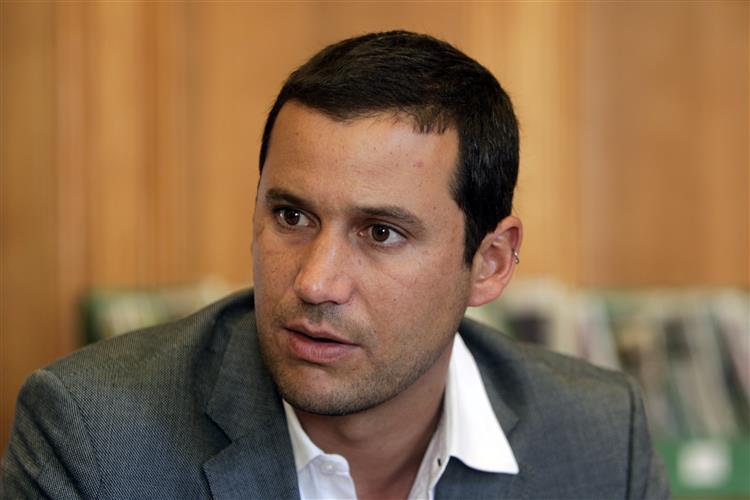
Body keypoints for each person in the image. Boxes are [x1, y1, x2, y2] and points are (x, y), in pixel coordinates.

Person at [2, 31, 669, 499]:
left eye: (381, 233)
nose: (315, 282)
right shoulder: (95, 438)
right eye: (291, 217)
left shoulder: (601, 438)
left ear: (489, 264)